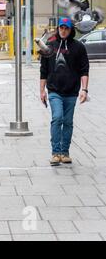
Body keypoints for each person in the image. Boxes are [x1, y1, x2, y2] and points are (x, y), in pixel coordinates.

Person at [40, 17, 90, 166]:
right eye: (61, 27)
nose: (63, 30)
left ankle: (64, 152)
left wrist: (84, 90)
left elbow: (84, 70)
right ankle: (55, 153)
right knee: (57, 118)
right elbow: (43, 71)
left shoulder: (79, 47)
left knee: (67, 122)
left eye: (66, 28)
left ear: (71, 30)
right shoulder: (49, 46)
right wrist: (42, 91)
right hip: (54, 90)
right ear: (58, 28)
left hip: (72, 92)